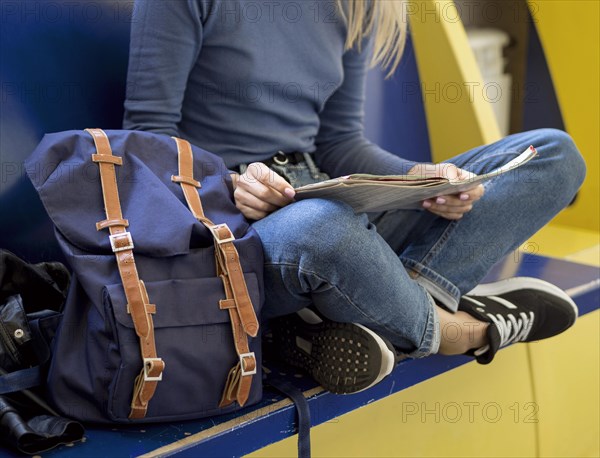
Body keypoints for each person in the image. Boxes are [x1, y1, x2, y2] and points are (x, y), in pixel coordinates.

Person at [123, 0, 586, 394]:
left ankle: (369, 305)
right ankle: (457, 331)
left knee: (551, 153)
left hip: (323, 194)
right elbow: (144, 144)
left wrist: (423, 180)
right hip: (238, 231)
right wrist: (227, 186)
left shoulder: (355, 4)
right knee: (322, 226)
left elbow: (340, 142)